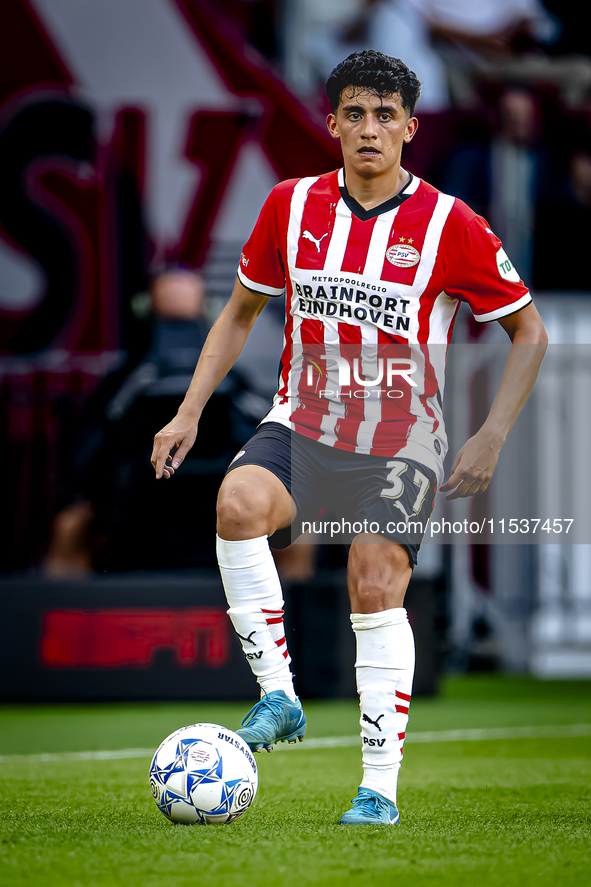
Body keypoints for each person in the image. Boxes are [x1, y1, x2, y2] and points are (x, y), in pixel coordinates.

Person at [151, 50, 547, 825]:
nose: (370, 129)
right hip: (301, 422)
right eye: (355, 114)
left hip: (401, 438)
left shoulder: (450, 224)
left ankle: (377, 788)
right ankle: (278, 695)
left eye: (385, 115)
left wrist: (492, 434)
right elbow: (237, 312)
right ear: (331, 122)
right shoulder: (288, 206)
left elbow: (527, 331)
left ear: (409, 127)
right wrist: (190, 410)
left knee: (372, 575)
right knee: (235, 504)